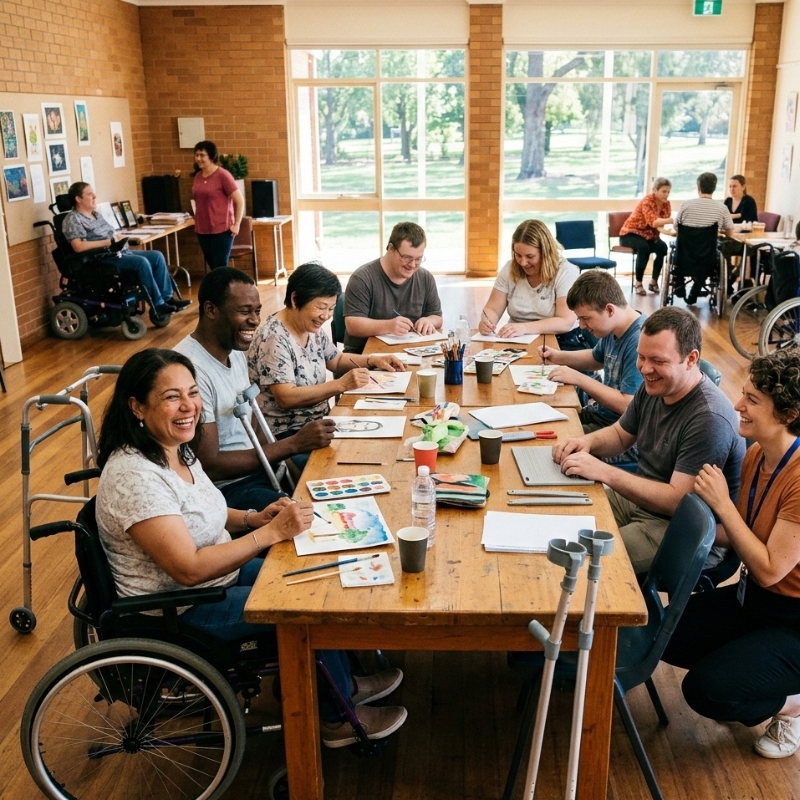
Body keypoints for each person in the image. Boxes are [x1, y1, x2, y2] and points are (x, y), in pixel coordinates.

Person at [95, 348, 407, 748]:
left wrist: (253, 519)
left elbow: (205, 510)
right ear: (137, 406)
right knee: (308, 606)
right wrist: (270, 533)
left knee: (321, 581)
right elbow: (188, 569)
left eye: (192, 392)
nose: (189, 406)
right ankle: (335, 718)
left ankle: (339, 686)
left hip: (214, 576)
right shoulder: (135, 477)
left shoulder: (169, 448)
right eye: (172, 397)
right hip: (180, 605)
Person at [663, 350, 800, 760]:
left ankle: (791, 705)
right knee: (665, 635)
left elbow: (772, 568)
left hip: (793, 619)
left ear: (789, 412)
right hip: (755, 599)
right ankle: (753, 672)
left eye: (753, 400)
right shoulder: (758, 452)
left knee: (706, 691)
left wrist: (721, 504)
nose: (738, 405)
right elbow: (742, 534)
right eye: (744, 394)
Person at [553, 307, 744, 575]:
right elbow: (621, 434)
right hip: (644, 504)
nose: (645, 368)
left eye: (657, 360)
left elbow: (679, 500)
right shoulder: (657, 384)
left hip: (682, 527)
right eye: (641, 357)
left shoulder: (709, 418)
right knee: (560, 523)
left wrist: (605, 472)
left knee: (581, 560)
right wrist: (586, 442)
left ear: (691, 359)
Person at [174, 267, 336, 511]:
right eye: (244, 311)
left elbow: (254, 417)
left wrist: (287, 463)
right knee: (307, 519)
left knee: (332, 481)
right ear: (210, 310)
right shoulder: (189, 370)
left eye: (257, 311)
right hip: (224, 489)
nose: (255, 320)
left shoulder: (236, 351)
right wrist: (292, 445)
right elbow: (211, 465)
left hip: (260, 469)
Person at [248, 262, 406, 466]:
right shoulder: (274, 337)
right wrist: (340, 385)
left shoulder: (308, 326)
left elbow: (336, 360)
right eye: (321, 307)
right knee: (363, 457)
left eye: (331, 308)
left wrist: (372, 359)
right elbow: (286, 397)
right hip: (289, 437)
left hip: (318, 425)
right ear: (296, 300)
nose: (326, 316)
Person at [538, 269, 644, 444]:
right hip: (600, 417)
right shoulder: (614, 327)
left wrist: (579, 379)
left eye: (585, 318)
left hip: (618, 434)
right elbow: (596, 358)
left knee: (546, 442)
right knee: (541, 419)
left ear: (610, 310)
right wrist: (557, 356)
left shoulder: (639, 341)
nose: (581, 326)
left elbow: (627, 404)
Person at [61, 182, 190, 321]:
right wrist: (108, 242)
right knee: (141, 262)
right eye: (89, 194)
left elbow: (111, 233)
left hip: (119, 251)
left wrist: (118, 237)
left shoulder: (96, 215)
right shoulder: (73, 219)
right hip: (101, 258)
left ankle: (167, 299)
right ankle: (158, 305)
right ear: (78, 199)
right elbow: (78, 246)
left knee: (157, 256)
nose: (95, 196)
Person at [478, 219, 590, 350]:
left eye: (530, 256)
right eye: (518, 255)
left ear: (546, 252)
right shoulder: (510, 268)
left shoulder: (566, 271)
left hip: (562, 340)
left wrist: (524, 328)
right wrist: (487, 321)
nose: (523, 262)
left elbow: (565, 321)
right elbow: (492, 309)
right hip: (518, 339)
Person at [343, 221, 443, 354]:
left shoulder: (425, 278)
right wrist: (388, 326)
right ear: (391, 248)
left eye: (418, 259)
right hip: (364, 356)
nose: (412, 265)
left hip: (412, 353)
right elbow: (353, 325)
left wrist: (428, 320)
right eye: (406, 257)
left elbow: (437, 316)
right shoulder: (363, 278)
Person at [674, 171, 735, 305]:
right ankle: (694, 292)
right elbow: (730, 232)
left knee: (679, 249)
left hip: (684, 256)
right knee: (709, 258)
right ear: (714, 188)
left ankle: (679, 283)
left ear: (698, 187)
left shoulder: (685, 205)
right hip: (707, 257)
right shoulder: (722, 208)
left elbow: (676, 228)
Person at [192, 140, 244, 268]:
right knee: (212, 267)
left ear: (211, 156)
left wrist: (236, 224)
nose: (198, 158)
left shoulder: (223, 175)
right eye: (196, 155)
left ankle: (224, 288)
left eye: (202, 155)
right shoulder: (198, 176)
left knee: (220, 267)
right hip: (203, 230)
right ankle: (219, 288)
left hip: (222, 230)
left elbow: (239, 200)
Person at [618, 177, 674, 296]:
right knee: (644, 248)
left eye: (668, 192)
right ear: (655, 190)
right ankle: (638, 283)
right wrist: (671, 220)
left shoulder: (666, 204)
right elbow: (653, 222)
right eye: (664, 191)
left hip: (648, 236)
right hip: (630, 234)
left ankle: (653, 282)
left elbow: (660, 224)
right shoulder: (647, 201)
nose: (666, 194)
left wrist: (668, 232)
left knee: (662, 248)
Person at [720, 174, 759, 288]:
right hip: (729, 235)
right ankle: (729, 272)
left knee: (725, 246)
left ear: (743, 187)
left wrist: (732, 218)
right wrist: (736, 216)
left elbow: (750, 222)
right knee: (718, 245)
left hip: (743, 239)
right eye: (730, 186)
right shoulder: (727, 201)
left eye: (735, 186)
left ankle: (729, 278)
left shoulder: (748, 201)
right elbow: (723, 218)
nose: (732, 189)